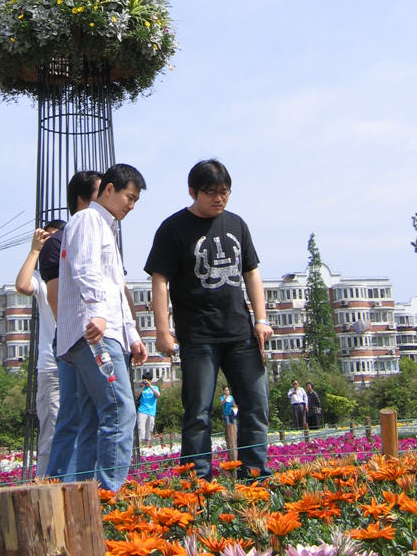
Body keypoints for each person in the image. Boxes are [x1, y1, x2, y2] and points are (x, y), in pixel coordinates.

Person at [145, 158, 273, 480]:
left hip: (241, 333)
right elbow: (159, 281)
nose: (219, 199)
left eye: (225, 192)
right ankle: (198, 481)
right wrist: (164, 331)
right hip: (198, 336)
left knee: (256, 406)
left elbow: (252, 273)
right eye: (211, 192)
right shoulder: (172, 228)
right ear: (193, 192)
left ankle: (254, 475)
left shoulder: (237, 224)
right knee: (198, 412)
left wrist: (261, 319)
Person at [56, 163, 148, 491]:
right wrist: (95, 312)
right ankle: (109, 495)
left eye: (136, 200)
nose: (132, 205)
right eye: (130, 197)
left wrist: (133, 335)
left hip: (105, 332)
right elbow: (86, 268)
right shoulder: (87, 220)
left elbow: (116, 289)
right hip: (96, 333)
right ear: (108, 189)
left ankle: (81, 500)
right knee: (120, 409)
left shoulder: (104, 227)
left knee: (94, 418)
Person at [43, 171, 101, 481]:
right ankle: (60, 482)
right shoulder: (58, 241)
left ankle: (86, 483)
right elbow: (55, 297)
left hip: (97, 332)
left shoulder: (101, 233)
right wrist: (73, 335)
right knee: (74, 412)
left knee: (92, 410)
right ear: (82, 198)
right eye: (100, 191)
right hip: (75, 336)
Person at [14, 221, 65, 477]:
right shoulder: (41, 279)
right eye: (48, 240)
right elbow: (22, 285)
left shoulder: (75, 272)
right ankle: (46, 485)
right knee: (52, 431)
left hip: (78, 362)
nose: (53, 245)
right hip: (52, 366)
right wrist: (35, 250)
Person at [136, 371, 160, 446]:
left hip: (151, 412)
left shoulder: (155, 388)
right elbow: (136, 395)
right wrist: (143, 386)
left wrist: (150, 386)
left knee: (149, 430)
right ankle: (139, 447)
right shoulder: (140, 388)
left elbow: (158, 395)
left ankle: (147, 446)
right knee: (141, 429)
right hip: (142, 411)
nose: (146, 382)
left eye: (148, 380)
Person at [220, 386, 238, 461]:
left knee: (234, 424)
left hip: (232, 413)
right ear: (224, 391)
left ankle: (235, 435)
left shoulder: (232, 397)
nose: (227, 391)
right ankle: (228, 436)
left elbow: (234, 403)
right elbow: (222, 403)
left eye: (228, 390)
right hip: (226, 413)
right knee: (227, 425)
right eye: (225, 390)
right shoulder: (222, 397)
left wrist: (235, 406)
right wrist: (225, 397)